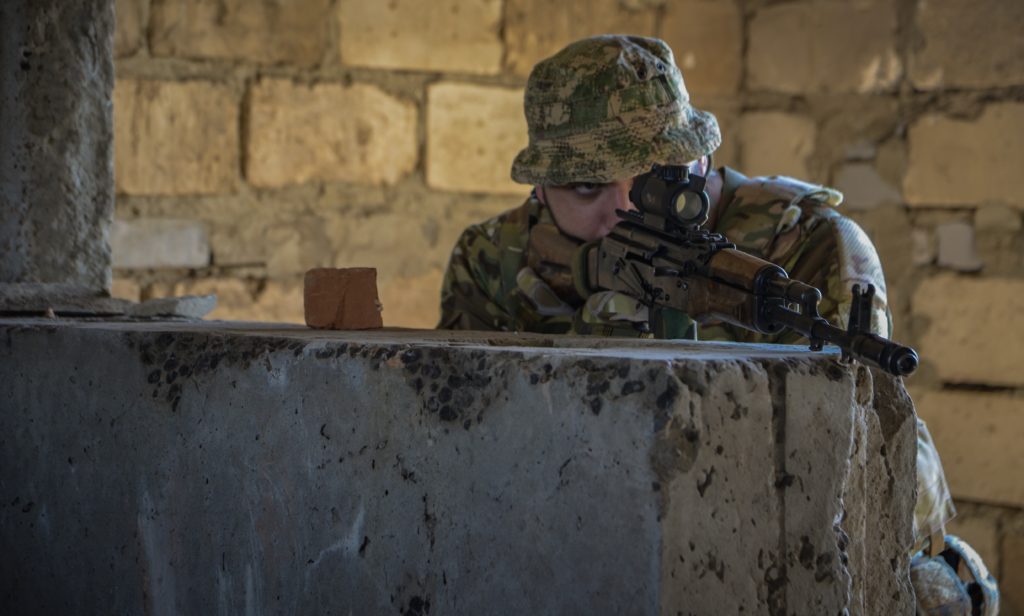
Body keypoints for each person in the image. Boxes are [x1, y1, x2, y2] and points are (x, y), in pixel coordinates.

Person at [437, 35, 997, 613]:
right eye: (588, 187)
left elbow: (859, 469)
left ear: (699, 154)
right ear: (539, 187)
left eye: (661, 175)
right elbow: (459, 456)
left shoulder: (803, 244)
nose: (629, 206)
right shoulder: (495, 258)